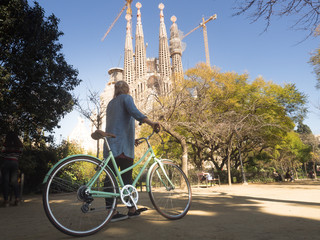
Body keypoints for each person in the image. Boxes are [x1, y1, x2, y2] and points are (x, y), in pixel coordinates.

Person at [104, 81, 159, 221]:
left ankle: (114, 211)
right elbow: (135, 112)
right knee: (127, 180)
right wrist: (151, 123)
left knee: (109, 179)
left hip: (111, 145)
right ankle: (130, 209)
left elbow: (117, 123)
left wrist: (131, 138)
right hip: (122, 147)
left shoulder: (111, 103)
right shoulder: (126, 98)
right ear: (127, 89)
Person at [1, 131, 23, 207]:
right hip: (15, 162)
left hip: (6, 162)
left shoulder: (6, 144)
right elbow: (20, 154)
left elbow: (2, 153)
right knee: (14, 181)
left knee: (5, 182)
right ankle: (17, 199)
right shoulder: (19, 144)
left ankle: (6, 201)